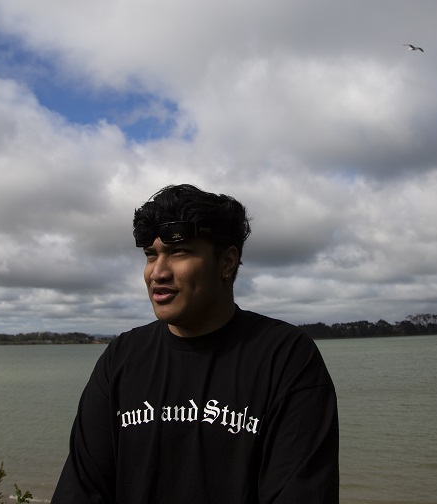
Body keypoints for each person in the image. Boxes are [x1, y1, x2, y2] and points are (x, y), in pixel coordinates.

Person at [51, 184, 339, 503]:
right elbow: (81, 490)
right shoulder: (121, 357)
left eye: (179, 252)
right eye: (150, 255)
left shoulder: (285, 357)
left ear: (227, 262)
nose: (157, 273)